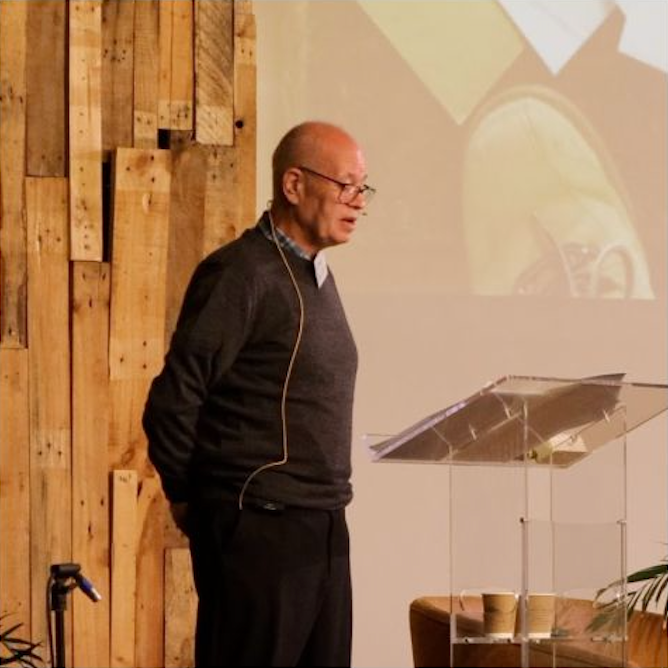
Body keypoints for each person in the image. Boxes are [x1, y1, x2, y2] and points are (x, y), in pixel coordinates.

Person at [142, 121, 375, 667]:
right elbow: (173, 401)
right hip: (260, 529)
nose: (358, 201)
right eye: (346, 185)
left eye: (363, 187)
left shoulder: (316, 276)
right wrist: (197, 504)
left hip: (323, 525)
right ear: (294, 185)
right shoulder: (241, 273)